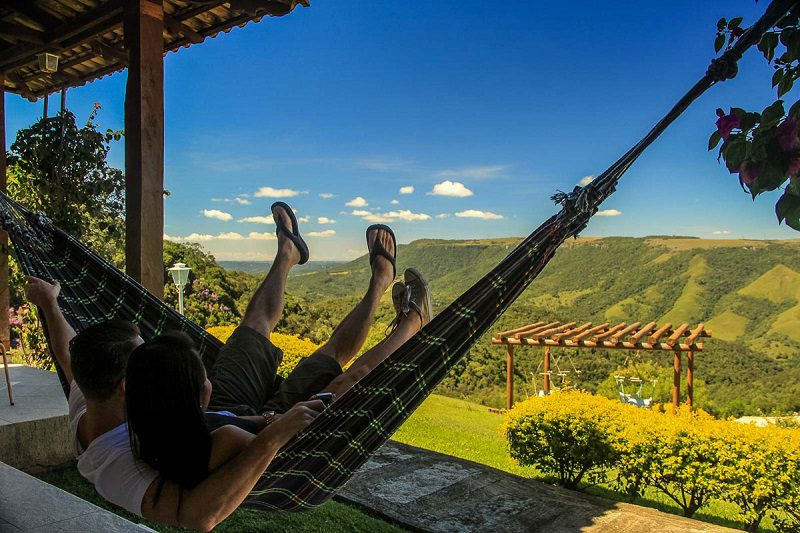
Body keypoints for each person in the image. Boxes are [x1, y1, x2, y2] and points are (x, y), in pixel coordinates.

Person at [24, 201, 432, 531]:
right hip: (238, 433)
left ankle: (288, 253)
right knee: (347, 376)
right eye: (143, 351)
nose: (151, 349)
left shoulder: (93, 390)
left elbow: (69, 356)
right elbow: (198, 516)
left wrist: (50, 303)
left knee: (252, 329)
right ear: (129, 385)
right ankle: (411, 318)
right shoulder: (115, 469)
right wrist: (273, 435)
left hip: (215, 413)